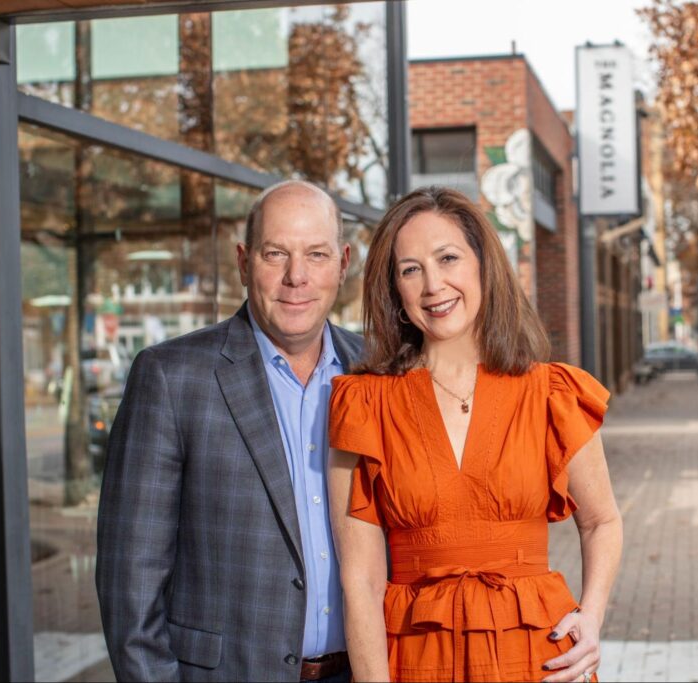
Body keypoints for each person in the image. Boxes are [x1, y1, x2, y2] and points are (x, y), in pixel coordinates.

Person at [327, 186, 623, 683]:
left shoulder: (551, 393)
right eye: (410, 269)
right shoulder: (365, 405)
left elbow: (601, 522)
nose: (433, 285)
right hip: (416, 661)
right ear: (395, 290)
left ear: (483, 265)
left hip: (539, 657)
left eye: (448, 258)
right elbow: (360, 579)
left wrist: (591, 619)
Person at [96, 180, 361, 682]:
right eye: (275, 253)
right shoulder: (171, 377)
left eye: (317, 255)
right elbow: (129, 581)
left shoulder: (377, 372)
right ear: (244, 262)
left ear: (343, 264)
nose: (296, 276)